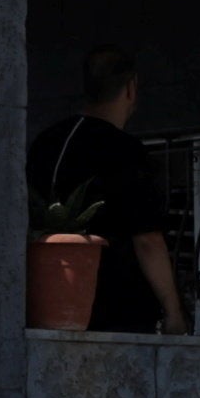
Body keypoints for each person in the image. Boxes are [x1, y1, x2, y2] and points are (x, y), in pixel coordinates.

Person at [31, 50, 181, 332]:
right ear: (131, 88)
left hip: (44, 302)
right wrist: (173, 312)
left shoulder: (45, 143)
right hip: (118, 310)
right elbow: (148, 240)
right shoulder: (125, 151)